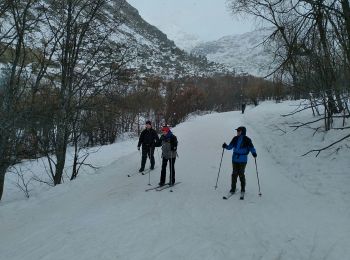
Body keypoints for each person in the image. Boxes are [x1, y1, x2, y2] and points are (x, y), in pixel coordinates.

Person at [222, 126, 257, 194]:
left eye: (239, 131)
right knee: (234, 174)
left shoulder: (247, 139)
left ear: (242, 132)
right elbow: (230, 147)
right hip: (235, 159)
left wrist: (254, 153)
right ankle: (233, 188)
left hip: (243, 160)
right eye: (237, 130)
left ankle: (243, 189)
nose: (237, 132)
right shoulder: (235, 138)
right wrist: (225, 146)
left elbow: (251, 147)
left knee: (241, 174)